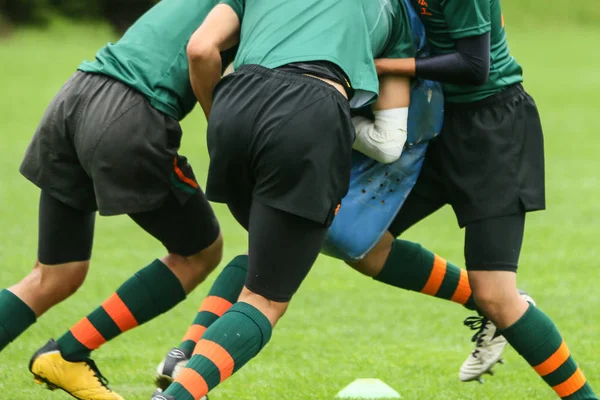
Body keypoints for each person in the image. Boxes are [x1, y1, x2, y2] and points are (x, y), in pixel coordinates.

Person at [149, 0, 417, 399]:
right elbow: (389, 141)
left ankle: (186, 355)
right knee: (266, 298)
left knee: (262, 262)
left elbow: (201, 49)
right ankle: (177, 393)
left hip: (235, 105)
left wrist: (220, 119)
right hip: (310, 110)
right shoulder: (392, 10)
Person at [354, 0, 598, 398]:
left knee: (497, 294)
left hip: (493, 133)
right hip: (439, 125)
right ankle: (494, 307)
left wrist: (387, 67)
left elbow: (473, 66)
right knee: (363, 245)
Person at [0, 1, 238, 399]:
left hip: (77, 95)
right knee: (199, 252)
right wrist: (224, 134)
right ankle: (67, 356)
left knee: (55, 275)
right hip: (132, 114)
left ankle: (66, 358)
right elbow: (202, 50)